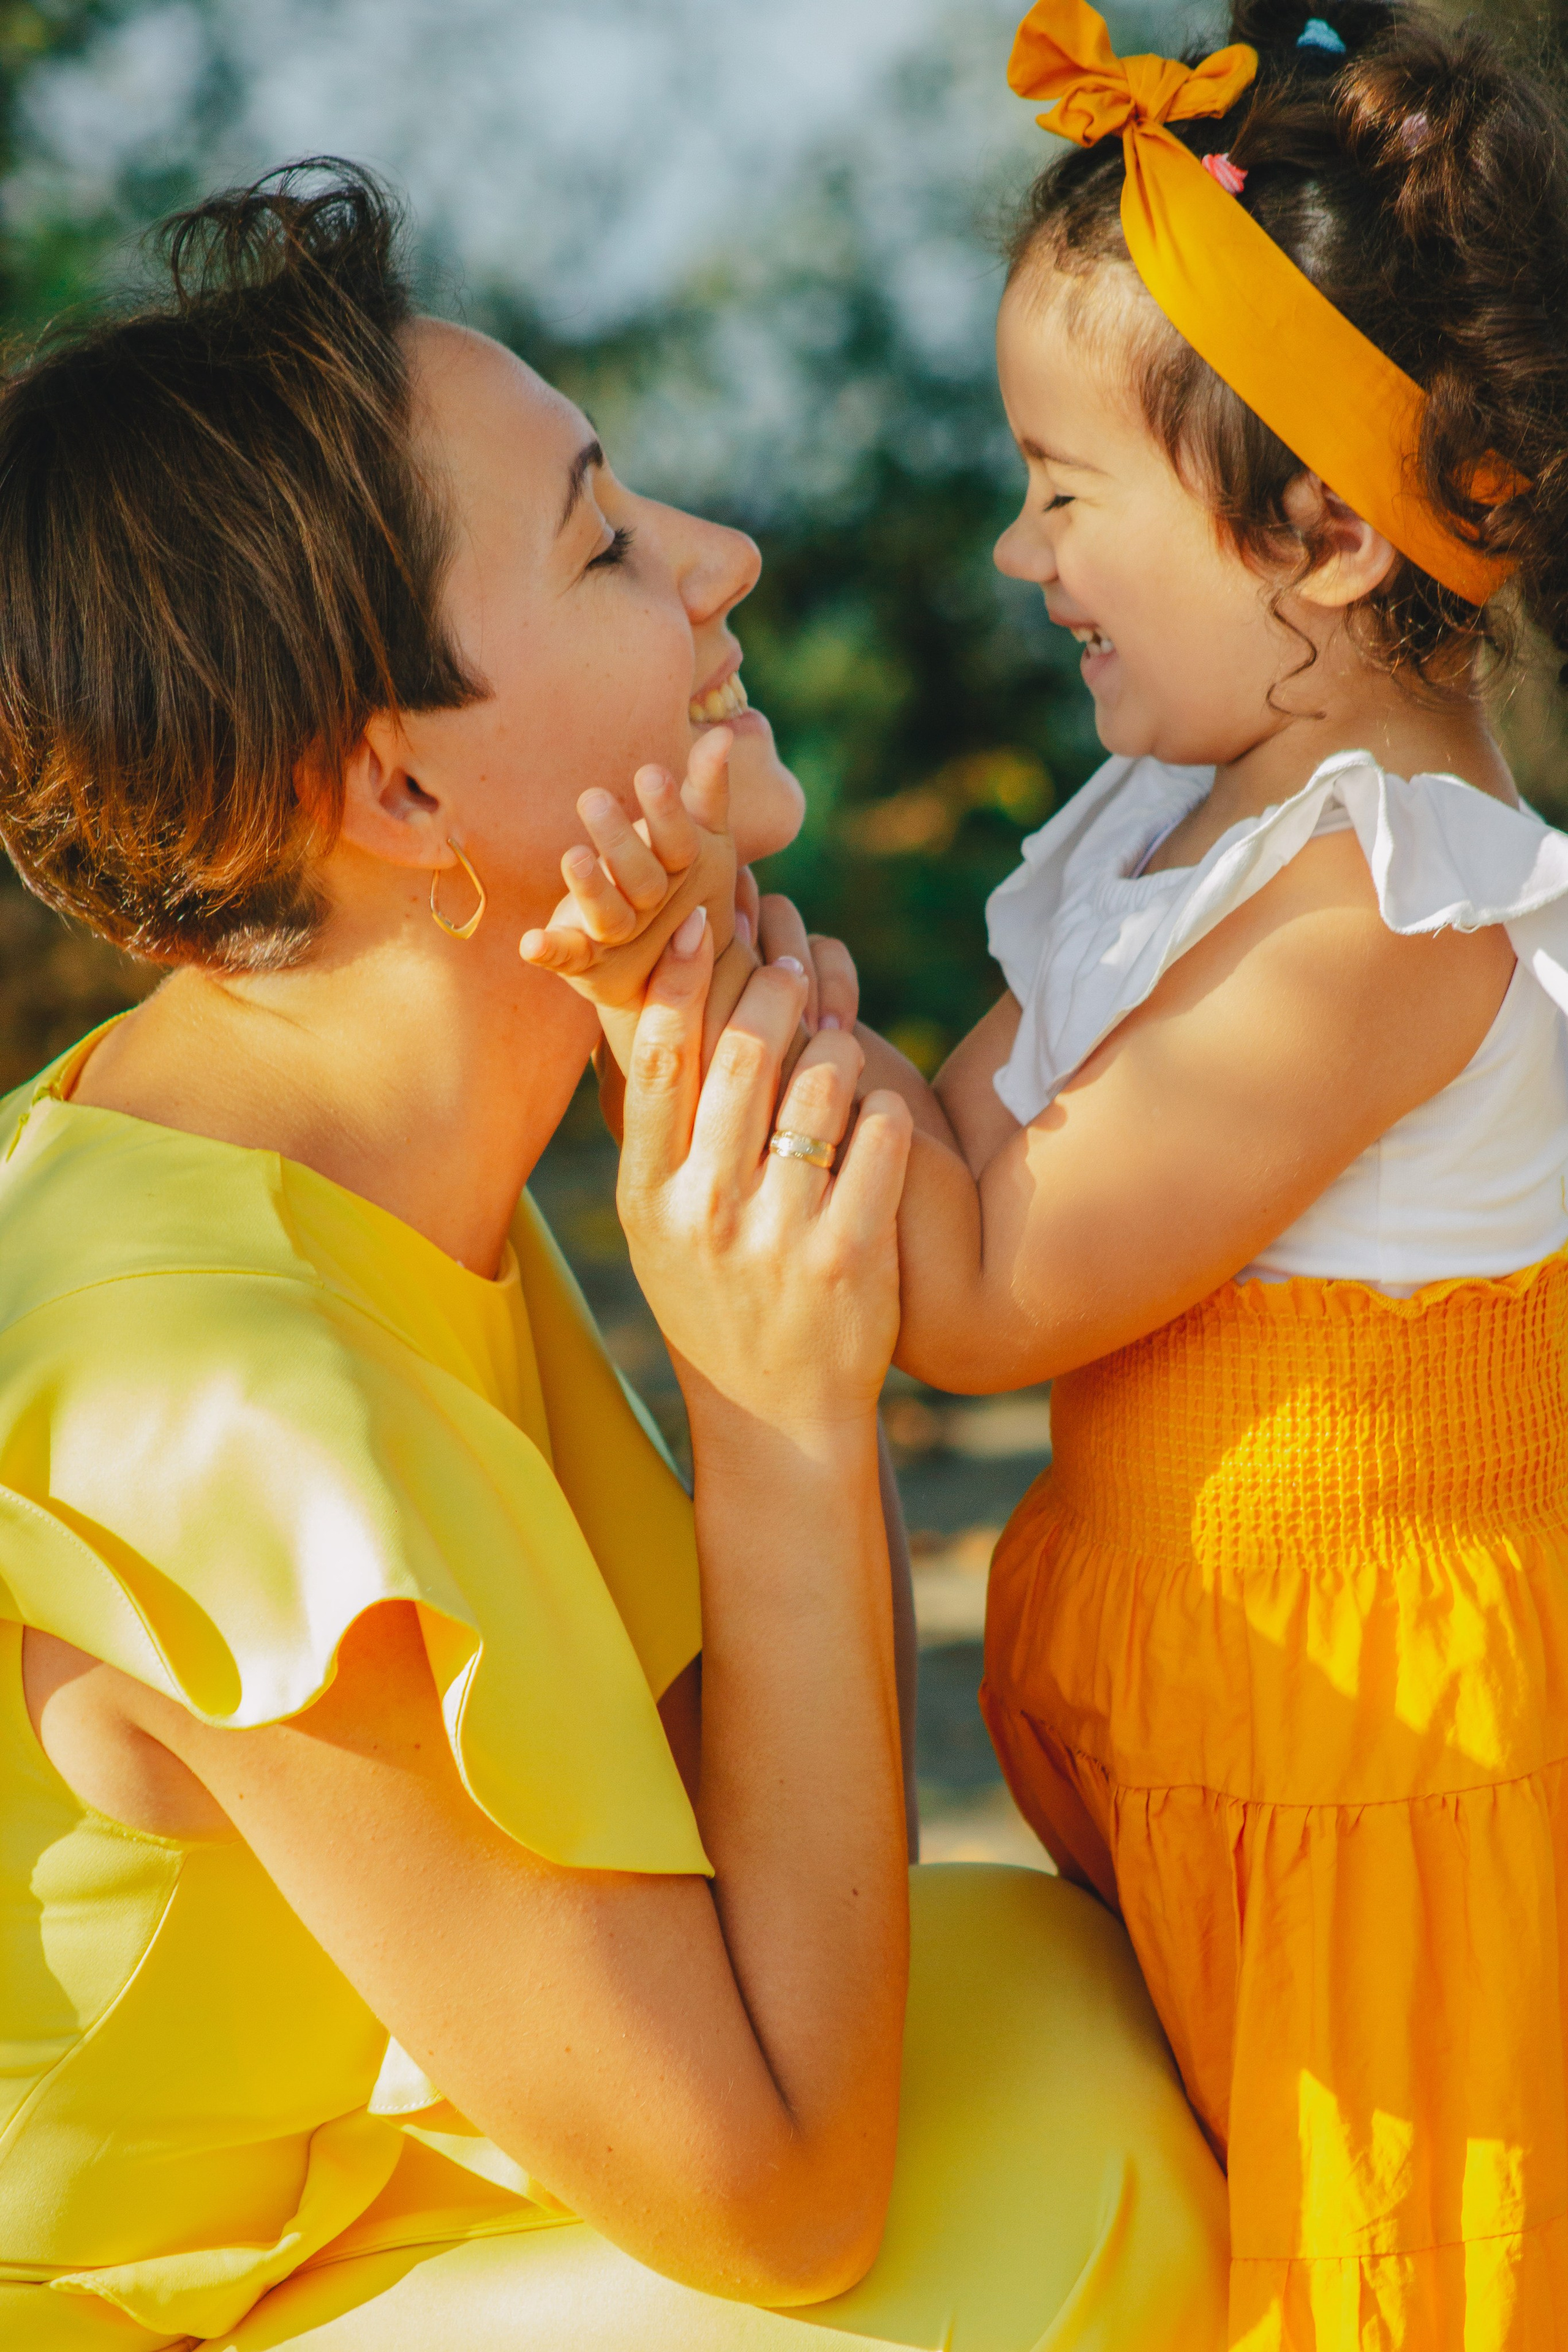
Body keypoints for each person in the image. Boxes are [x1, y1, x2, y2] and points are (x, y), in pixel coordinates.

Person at [0, 168, 1228, 2350]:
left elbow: (750, 1864)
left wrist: (767, 1244)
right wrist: (777, 1403)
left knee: (1061, 2009)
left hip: (379, 2212)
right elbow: (775, 2201)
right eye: (602, 542)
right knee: (1060, 2212)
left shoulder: (370, 1174)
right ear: (391, 787)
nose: (721, 558)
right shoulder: (217, 1388)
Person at [556, 0, 1568, 2338]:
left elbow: (984, 1283)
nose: (1022, 551)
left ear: (1316, 525)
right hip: (1195, 1723)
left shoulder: (1388, 919)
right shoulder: (1170, 828)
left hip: (1368, 1792)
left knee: (1378, 2284)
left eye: (1065, 487)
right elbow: (948, 1152)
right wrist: (696, 975)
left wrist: (716, 951)